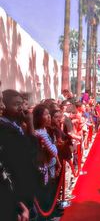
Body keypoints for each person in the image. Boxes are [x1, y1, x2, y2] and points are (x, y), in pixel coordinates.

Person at [0, 89, 37, 220]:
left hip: (24, 186)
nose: (21, 108)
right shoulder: (4, 129)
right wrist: (31, 125)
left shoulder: (16, 125)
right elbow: (29, 152)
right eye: (16, 104)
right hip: (16, 189)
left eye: (22, 104)